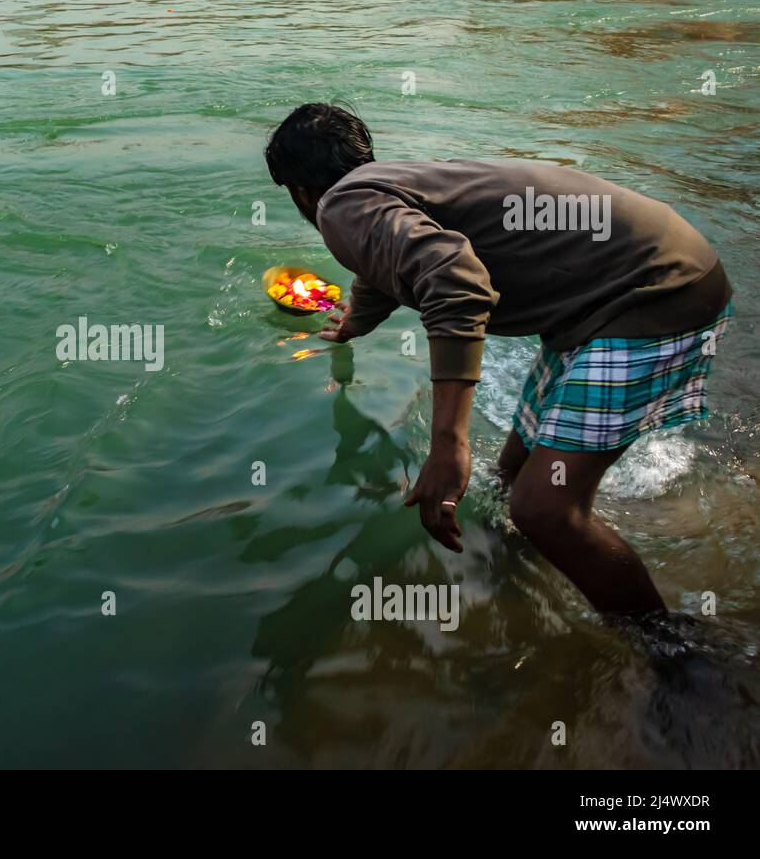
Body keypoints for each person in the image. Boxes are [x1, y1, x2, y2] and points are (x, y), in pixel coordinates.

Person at [265, 103, 733, 615]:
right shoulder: (387, 185)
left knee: (543, 508)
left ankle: (676, 658)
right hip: (621, 287)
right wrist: (355, 321)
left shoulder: (339, 206)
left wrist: (448, 444)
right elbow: (392, 262)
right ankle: (517, 568)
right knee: (510, 475)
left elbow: (453, 281)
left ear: (300, 191)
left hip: (652, 294)